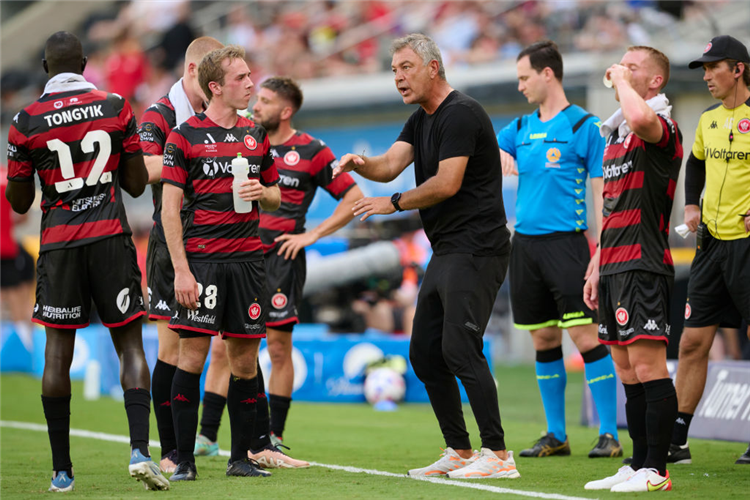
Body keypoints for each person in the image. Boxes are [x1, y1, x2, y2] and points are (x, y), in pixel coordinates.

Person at [334, 33, 519, 479]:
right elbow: (389, 164)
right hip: (449, 249)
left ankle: (497, 454)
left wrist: (392, 202)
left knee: (459, 346)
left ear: (433, 67)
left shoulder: (462, 112)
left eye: (405, 67)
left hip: (479, 247)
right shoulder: (420, 120)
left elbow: (447, 183)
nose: (397, 77)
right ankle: (458, 449)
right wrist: (361, 163)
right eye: (393, 70)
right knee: (423, 353)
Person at [5, 31, 168, 492]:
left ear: (44, 67)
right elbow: (136, 184)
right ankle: (139, 450)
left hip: (58, 246)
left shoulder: (25, 120)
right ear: (84, 62)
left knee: (58, 354)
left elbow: (19, 202)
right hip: (111, 238)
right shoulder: (116, 105)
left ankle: (62, 472)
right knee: (131, 345)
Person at [194, 76, 362, 468]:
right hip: (237, 255)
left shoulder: (313, 151)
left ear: (286, 111)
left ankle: (274, 436)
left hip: (281, 261)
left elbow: (354, 198)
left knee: (277, 348)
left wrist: (312, 235)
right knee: (222, 346)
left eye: (266, 101)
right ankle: (206, 435)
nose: (256, 105)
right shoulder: (245, 139)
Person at [160, 45, 280, 481]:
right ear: (216, 87)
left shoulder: (255, 134)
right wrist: (181, 270)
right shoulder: (184, 136)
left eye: (251, 76)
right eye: (241, 78)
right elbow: (169, 209)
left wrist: (261, 193)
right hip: (203, 262)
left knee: (245, 363)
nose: (251, 84)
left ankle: (240, 459)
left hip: (249, 262)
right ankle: (184, 460)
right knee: (191, 357)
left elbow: (276, 193)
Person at [496, 40, 620, 459]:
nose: (520, 86)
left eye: (524, 77)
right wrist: (500, 154)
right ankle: (556, 435)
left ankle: (608, 433)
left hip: (568, 244)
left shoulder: (584, 126)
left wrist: (601, 250)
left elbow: (604, 192)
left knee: (585, 336)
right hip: (525, 247)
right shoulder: (518, 128)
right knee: (544, 338)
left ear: (547, 74)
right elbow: (485, 150)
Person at [583, 45, 683, 492]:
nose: (623, 70)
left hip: (644, 263)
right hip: (612, 266)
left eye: (633, 67)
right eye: (621, 64)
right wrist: (594, 264)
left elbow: (643, 120)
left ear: (655, 81)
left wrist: (620, 81)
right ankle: (638, 462)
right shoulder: (616, 134)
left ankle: (657, 471)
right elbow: (610, 206)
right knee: (625, 369)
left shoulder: (661, 126)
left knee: (647, 367)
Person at [137, 35, 224, 473]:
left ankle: (250, 443)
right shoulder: (161, 114)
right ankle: (171, 450)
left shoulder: (220, 111)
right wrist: (191, 155)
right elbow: (140, 169)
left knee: (214, 349)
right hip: (172, 242)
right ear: (193, 70)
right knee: (172, 350)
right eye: (211, 76)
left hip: (217, 243)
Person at [672, 34, 750, 466]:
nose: (706, 76)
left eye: (712, 67)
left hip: (747, 246)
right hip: (710, 245)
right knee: (691, 343)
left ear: (737, 69)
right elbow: (696, 162)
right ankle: (678, 438)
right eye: (702, 69)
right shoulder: (706, 118)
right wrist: (690, 203)